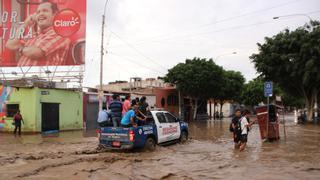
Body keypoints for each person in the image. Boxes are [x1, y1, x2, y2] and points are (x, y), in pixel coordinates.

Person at [6, 0, 70, 66]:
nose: (40, 14)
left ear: (55, 14)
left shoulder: (59, 34)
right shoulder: (35, 36)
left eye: (45, 11)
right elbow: (10, 44)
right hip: (22, 75)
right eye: (38, 12)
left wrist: (20, 48)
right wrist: (25, 24)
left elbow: (35, 53)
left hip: (42, 76)